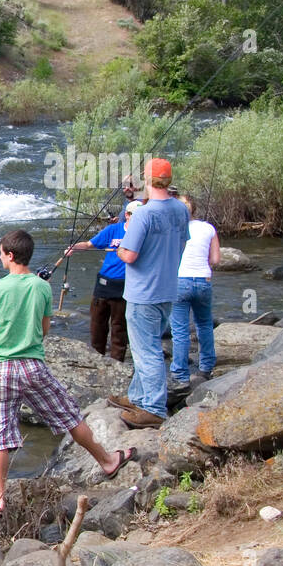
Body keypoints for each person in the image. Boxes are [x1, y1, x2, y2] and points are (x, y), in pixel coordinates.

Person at [0, 230, 135, 514]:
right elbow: (45, 328)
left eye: (1, 253)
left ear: (10, 256)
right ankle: (108, 461)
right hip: (33, 365)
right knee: (69, 415)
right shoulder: (42, 288)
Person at [114, 158, 190, 427]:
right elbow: (181, 245)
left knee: (147, 351)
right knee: (146, 346)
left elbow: (130, 255)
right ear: (168, 180)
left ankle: (154, 409)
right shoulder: (181, 210)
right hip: (168, 288)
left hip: (143, 292)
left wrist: (119, 247)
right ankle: (137, 396)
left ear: (147, 179)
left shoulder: (144, 214)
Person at [64, 199, 142, 361]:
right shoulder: (114, 229)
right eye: (136, 215)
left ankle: (116, 362)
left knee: (119, 328)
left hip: (126, 287)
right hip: (104, 284)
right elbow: (89, 244)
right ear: (127, 215)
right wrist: (74, 248)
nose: (140, 218)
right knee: (97, 325)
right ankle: (96, 359)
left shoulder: (144, 234)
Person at [169, 196, 220, 389]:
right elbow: (215, 260)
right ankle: (206, 368)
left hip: (180, 280)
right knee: (205, 325)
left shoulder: (173, 228)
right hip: (203, 280)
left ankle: (180, 374)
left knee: (180, 330)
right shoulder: (208, 228)